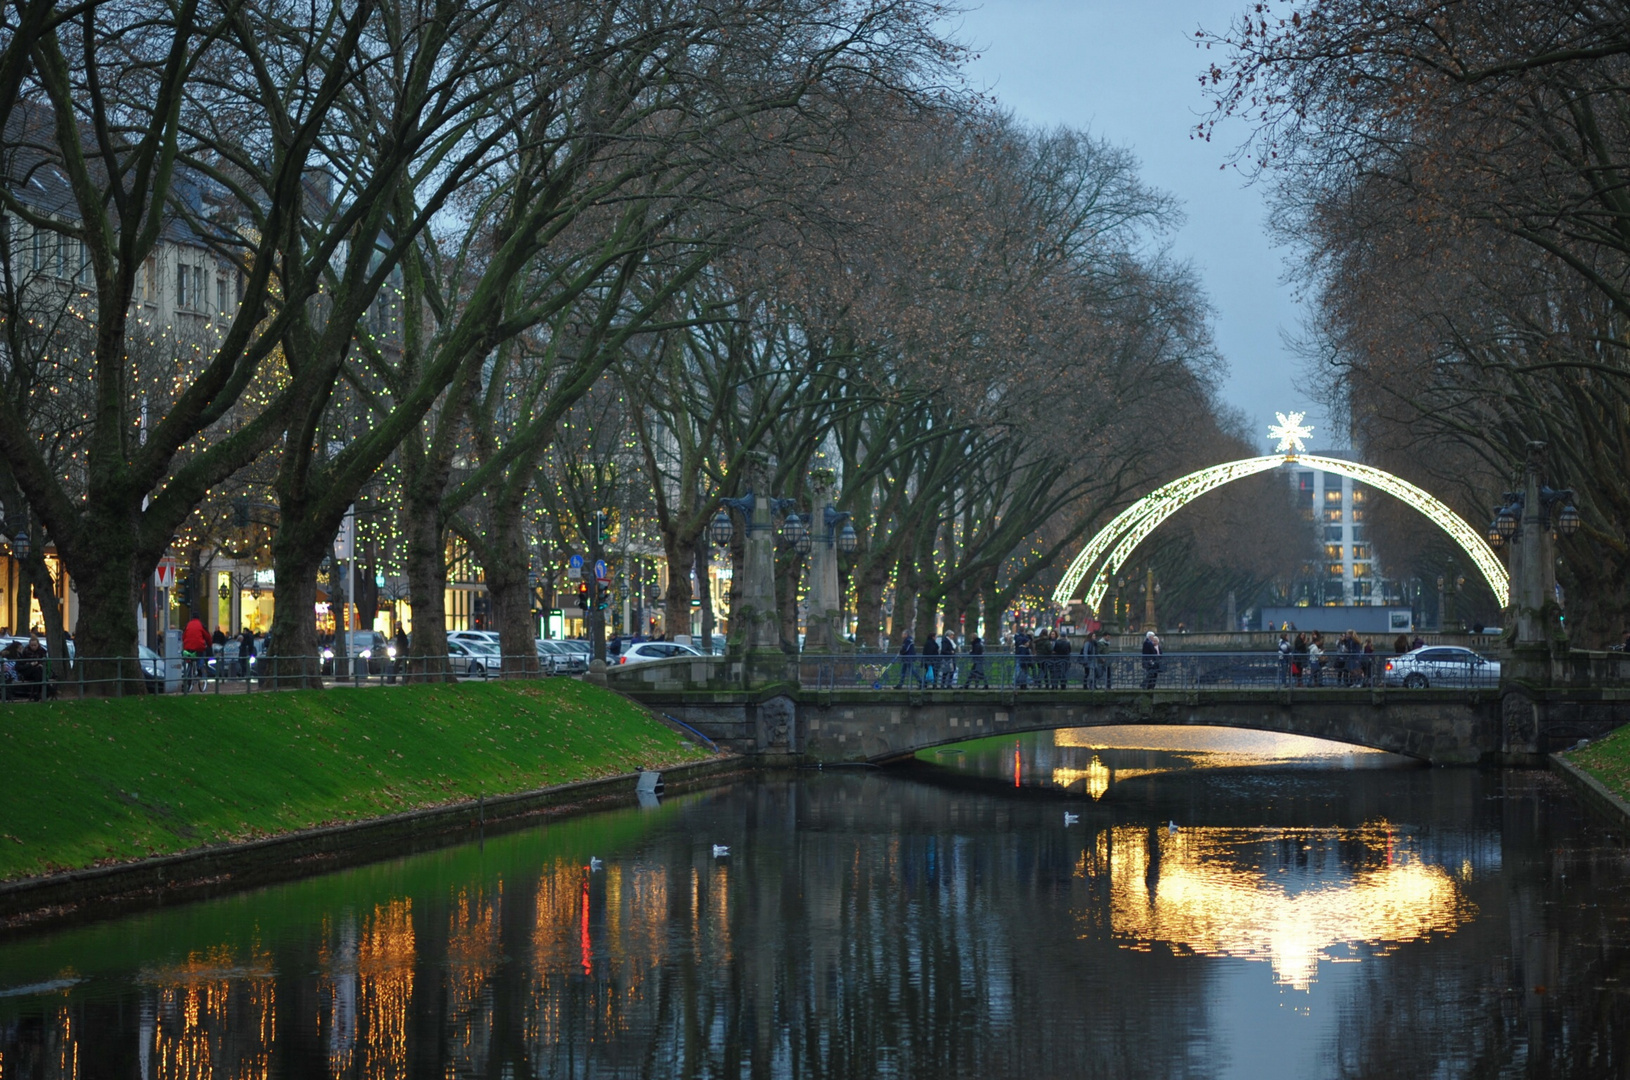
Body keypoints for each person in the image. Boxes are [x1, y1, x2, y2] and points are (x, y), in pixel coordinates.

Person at [181, 614, 210, 690]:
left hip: (187, 646)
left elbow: (183, 636)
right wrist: (209, 644)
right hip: (198, 646)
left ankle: (187, 675)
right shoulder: (201, 625)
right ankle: (200, 669)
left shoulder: (188, 625)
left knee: (189, 659)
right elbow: (207, 636)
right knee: (201, 655)